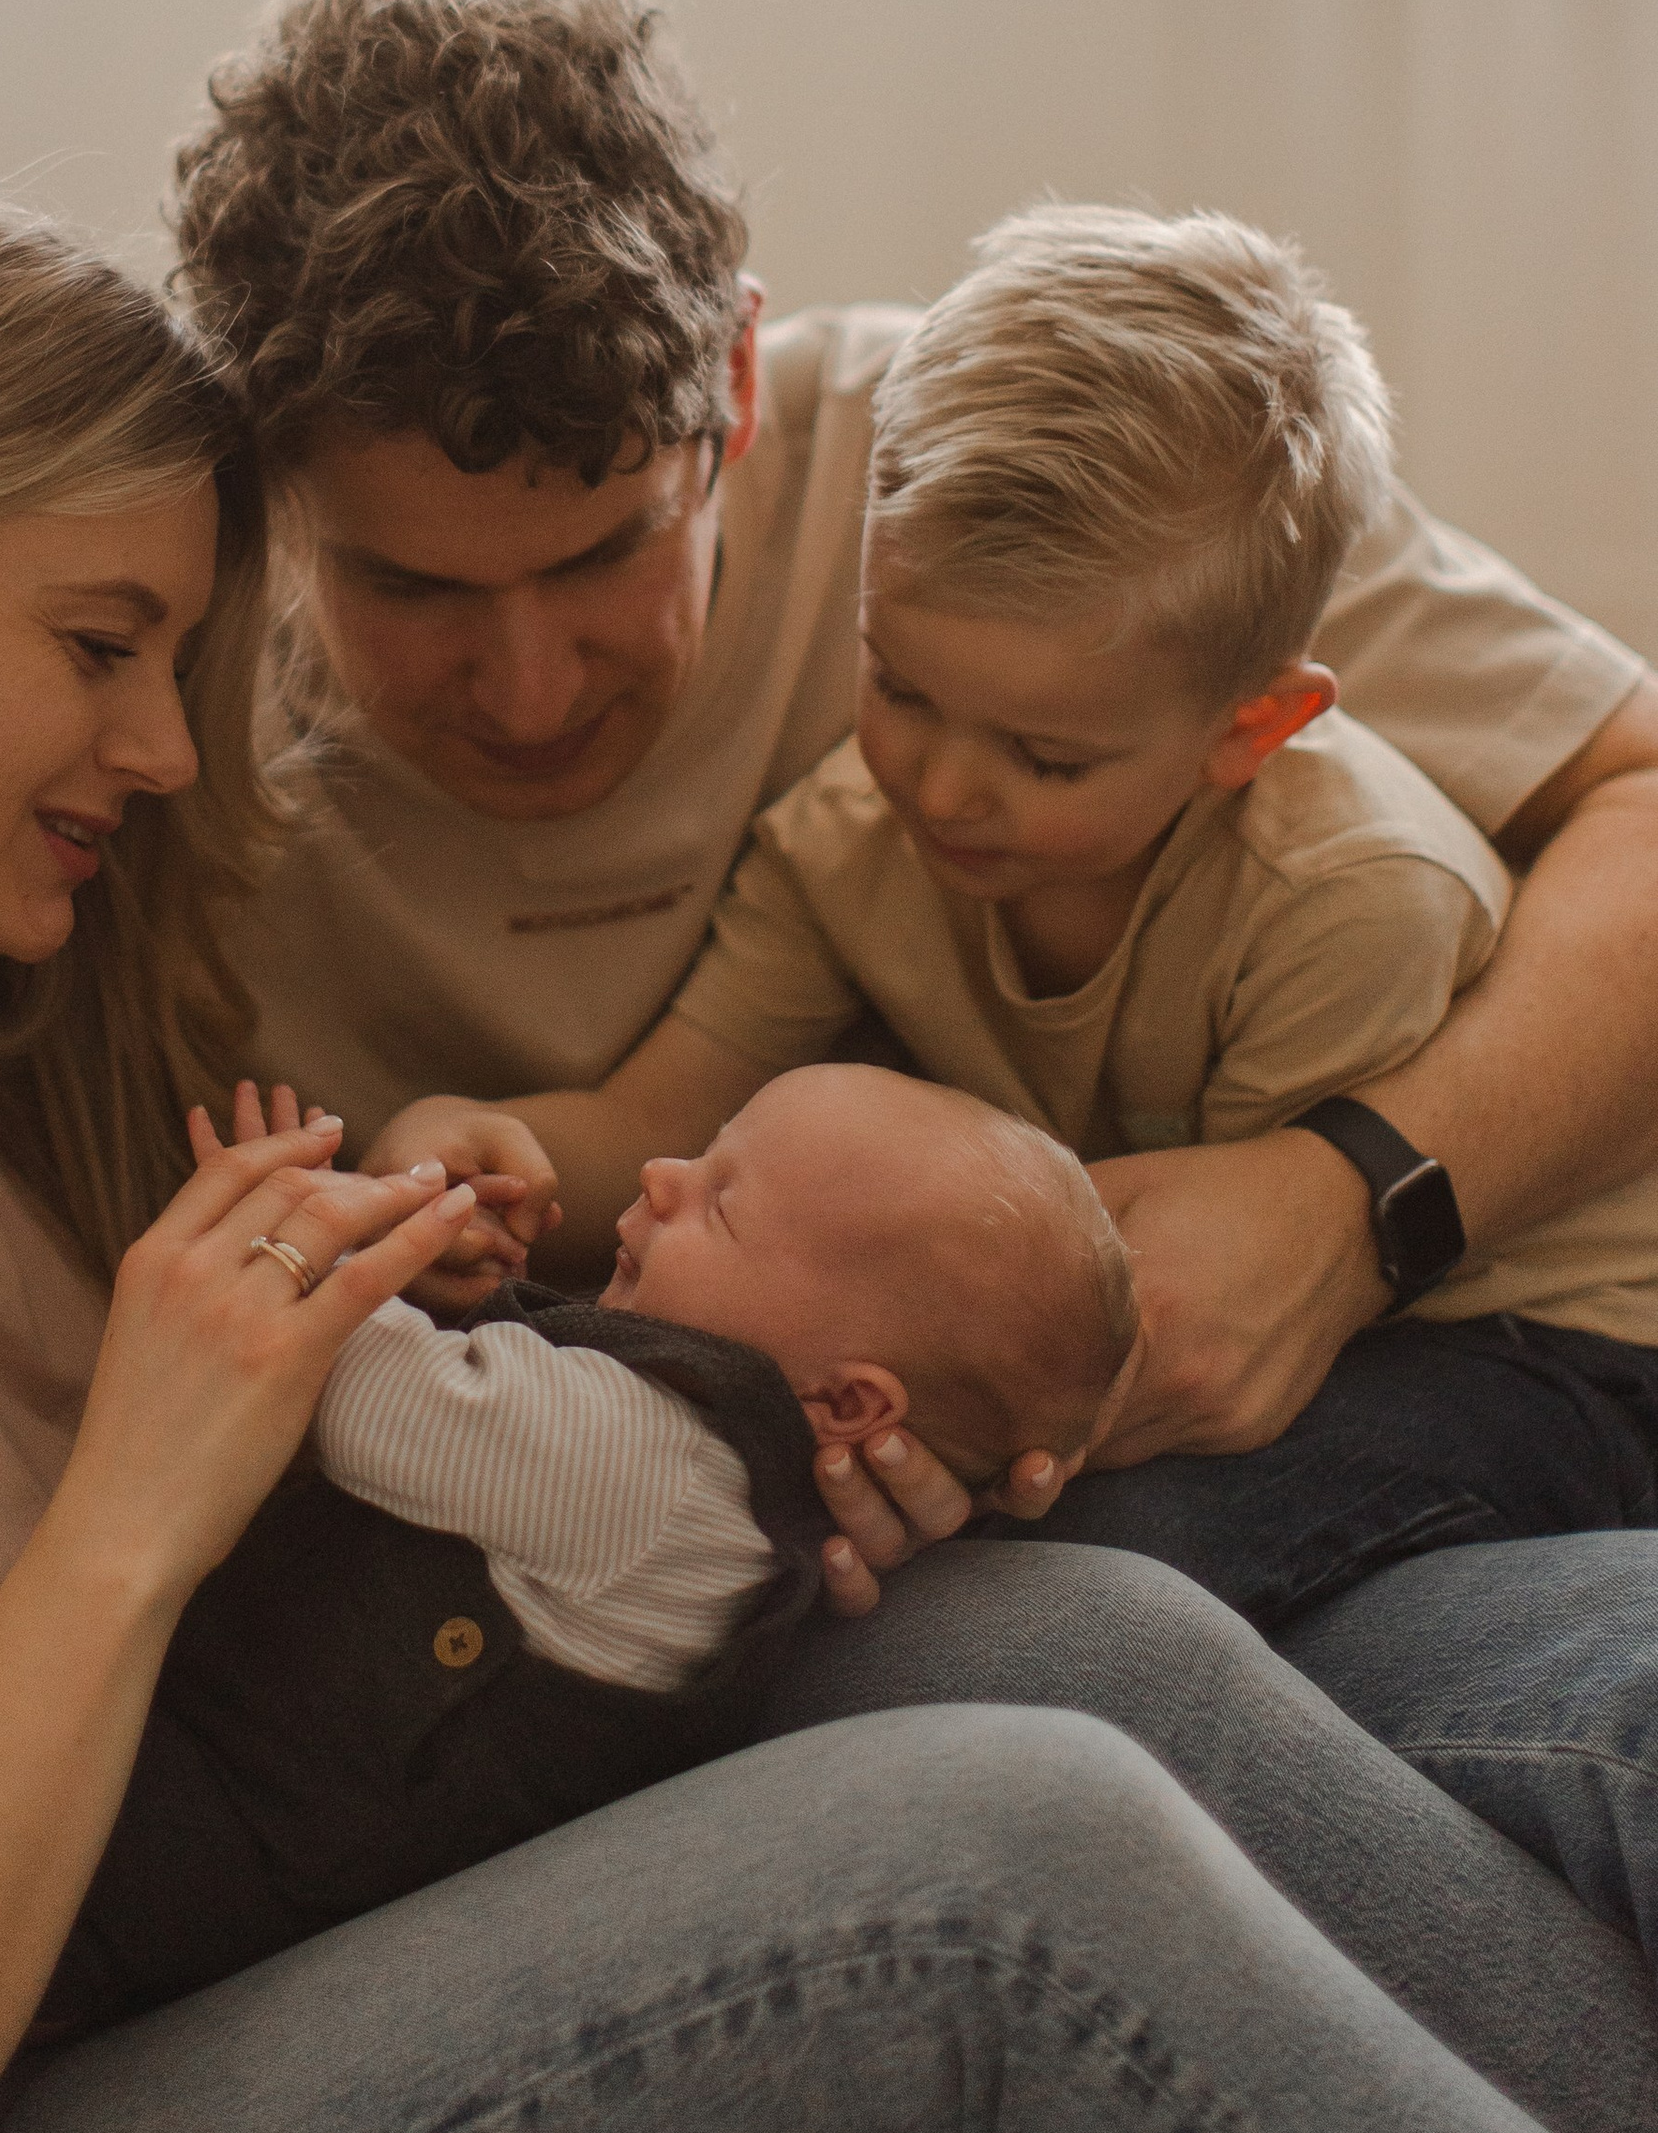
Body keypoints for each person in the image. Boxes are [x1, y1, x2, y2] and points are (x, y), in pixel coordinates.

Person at [0, 183, 1658, 2133]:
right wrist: (147, 1486)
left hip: (105, 1987)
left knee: (1056, 1633)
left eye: (180, 650)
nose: (167, 748)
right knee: (990, 1876)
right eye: (100, 645)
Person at [396, 204, 1658, 1630]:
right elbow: (663, 1115)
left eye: (1047, 758)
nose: (943, 788)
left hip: (1530, 1339)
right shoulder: (848, 837)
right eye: (900, 689)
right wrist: (491, 1154)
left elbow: (1196, 1324)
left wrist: (891, 1447)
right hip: (1176, 1329)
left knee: (1094, 1576)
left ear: (1255, 727)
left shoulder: (1348, 903)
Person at [47, 1065, 1138, 2035]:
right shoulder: (687, 1452)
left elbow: (352, 1391)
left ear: (847, 1399)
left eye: (722, 1201)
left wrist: (302, 1229)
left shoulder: (649, 1471)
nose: (661, 1175)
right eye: (700, 1149)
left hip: (217, 1851)